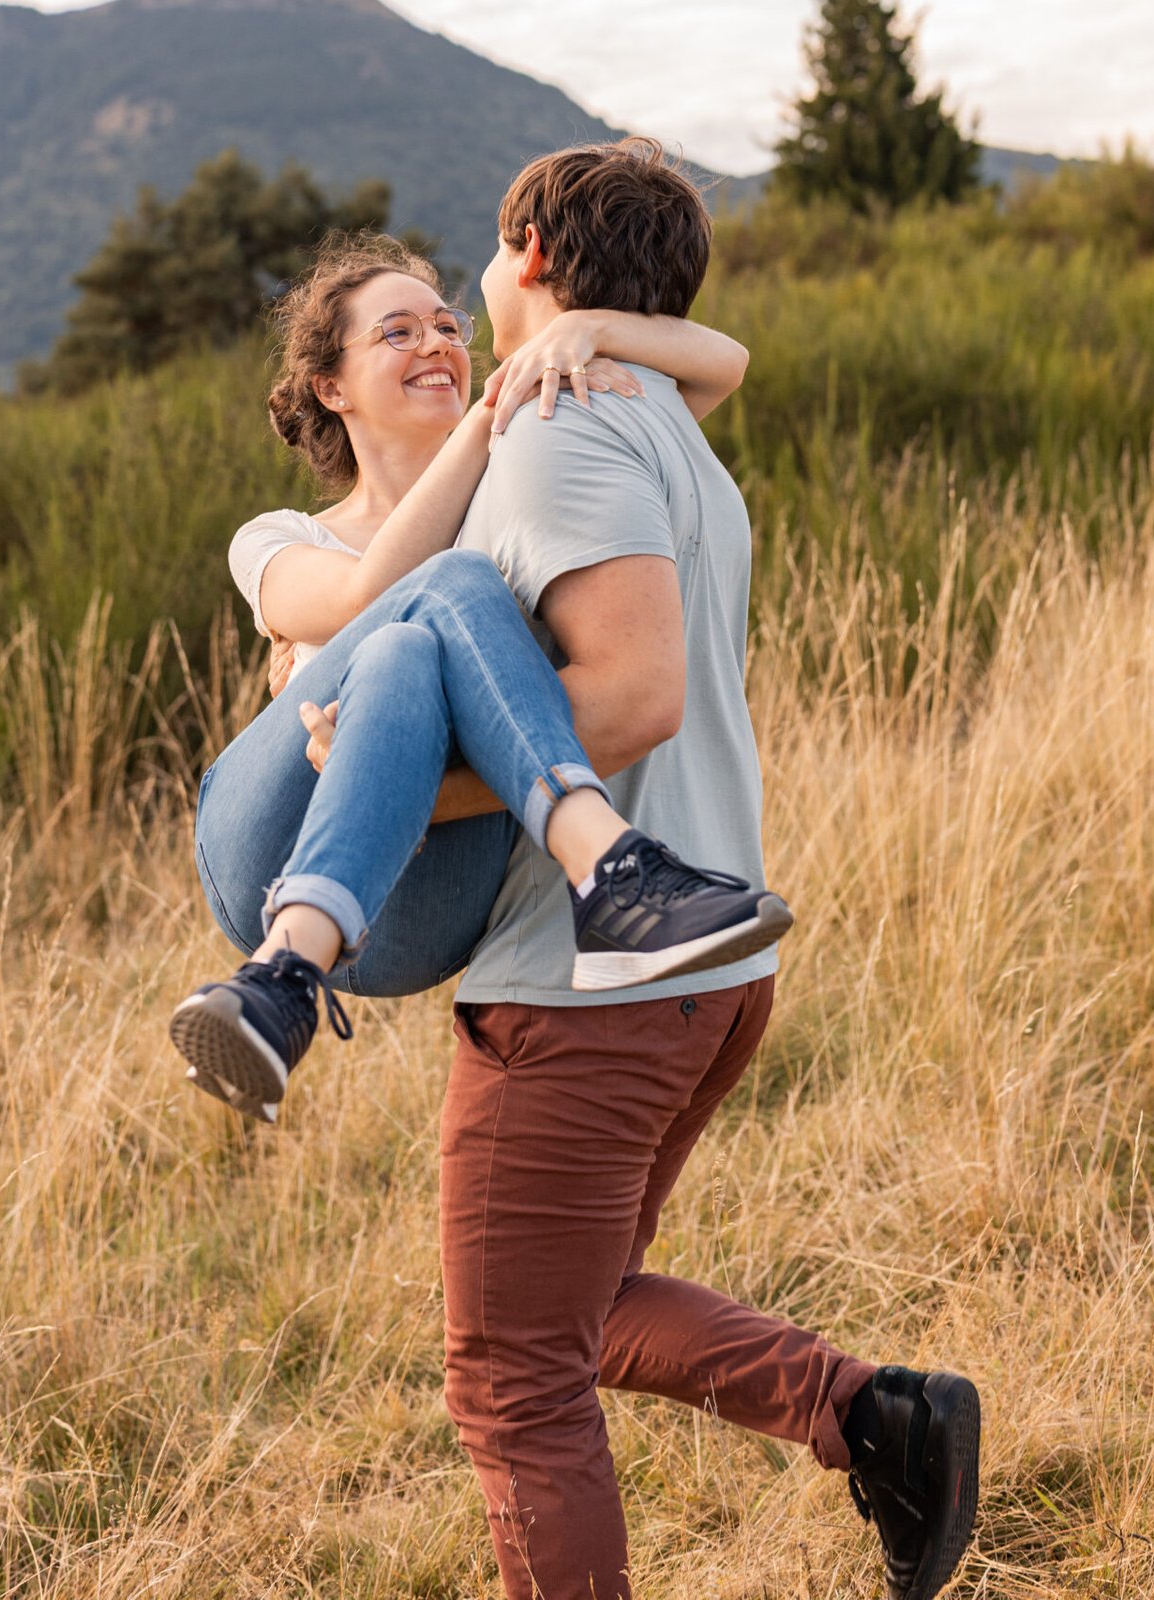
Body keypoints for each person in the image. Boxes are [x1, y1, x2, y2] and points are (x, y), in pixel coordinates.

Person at [417, 139, 979, 1600]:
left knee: (512, 1383)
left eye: (488, 257)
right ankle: (874, 1417)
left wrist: (413, 802)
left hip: (592, 985)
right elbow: (709, 362)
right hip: (708, 973)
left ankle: (875, 1417)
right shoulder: (662, 414)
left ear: (529, 249)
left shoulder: (563, 429)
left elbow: (631, 697)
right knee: (579, 1315)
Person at [170, 234, 790, 1121]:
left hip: (422, 903)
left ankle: (280, 986)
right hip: (273, 843)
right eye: (397, 332)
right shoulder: (277, 539)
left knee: (401, 655)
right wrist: (489, 414)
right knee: (434, 602)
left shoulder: (518, 481)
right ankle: (603, 869)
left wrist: (584, 329)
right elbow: (360, 596)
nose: (437, 343)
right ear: (330, 387)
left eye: (447, 324)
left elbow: (723, 364)